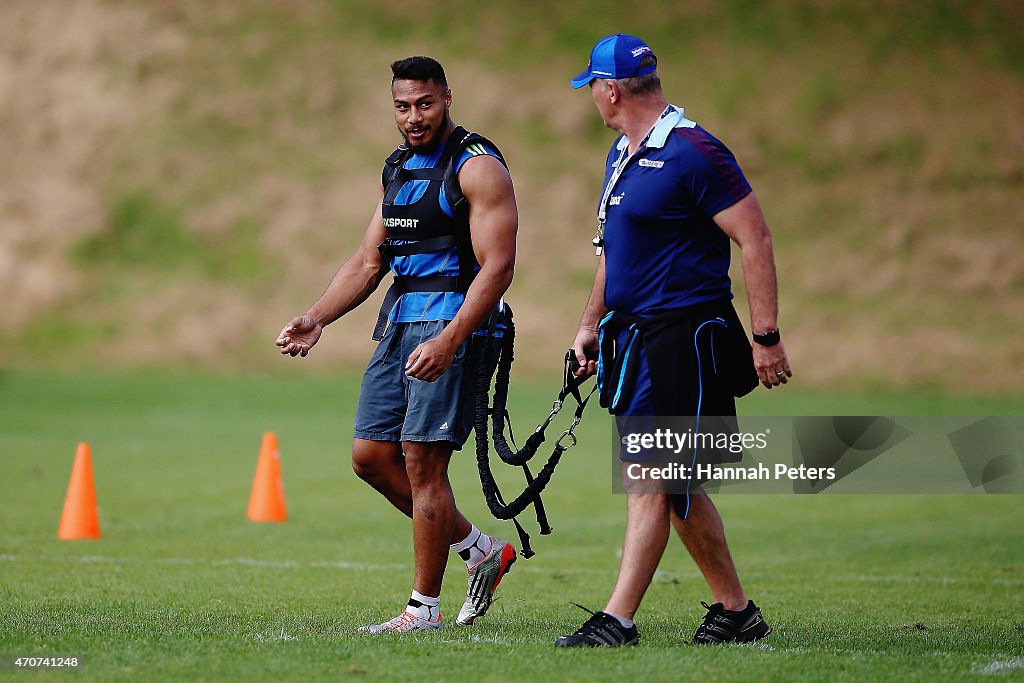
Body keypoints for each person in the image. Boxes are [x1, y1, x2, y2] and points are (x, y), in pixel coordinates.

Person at [557, 34, 792, 647]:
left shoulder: (695, 151)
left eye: (592, 88)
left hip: (684, 341)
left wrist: (765, 336)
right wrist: (589, 327)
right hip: (634, 339)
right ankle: (736, 613)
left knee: (651, 478)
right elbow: (615, 254)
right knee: (680, 487)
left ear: (609, 90)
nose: (592, 98)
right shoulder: (622, 154)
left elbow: (756, 238)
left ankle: (618, 619)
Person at [276, 56, 519, 634]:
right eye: (403, 106)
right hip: (399, 325)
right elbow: (368, 262)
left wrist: (451, 338)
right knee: (371, 458)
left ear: (448, 99)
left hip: (456, 328)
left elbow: (499, 267)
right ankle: (479, 549)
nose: (414, 116)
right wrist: (317, 317)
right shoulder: (399, 169)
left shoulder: (477, 167)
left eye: (425, 104)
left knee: (422, 463)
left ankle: (422, 610)